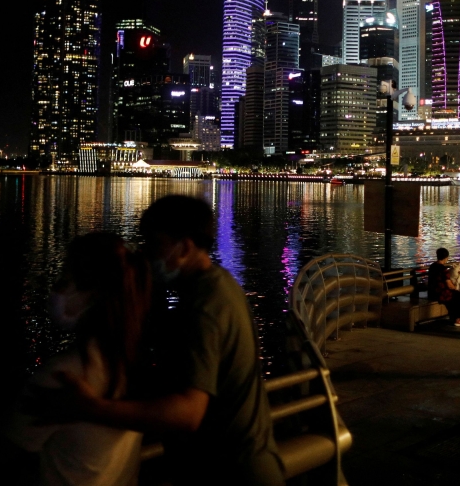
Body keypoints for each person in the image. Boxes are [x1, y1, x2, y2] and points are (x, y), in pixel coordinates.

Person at [29, 196, 284, 486]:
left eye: (154, 243)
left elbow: (188, 413)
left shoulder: (205, 306)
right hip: (242, 463)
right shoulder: (220, 285)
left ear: (185, 247)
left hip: (230, 471)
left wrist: (91, 408)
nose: (146, 254)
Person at [8, 233, 150, 486]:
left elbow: (7, 454)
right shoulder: (131, 366)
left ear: (92, 293)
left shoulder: (64, 375)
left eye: (65, 279)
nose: (56, 288)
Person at [428, 248, 460, 327]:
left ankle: (455, 318)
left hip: (432, 292)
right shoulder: (443, 269)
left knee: (453, 298)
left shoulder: (432, 266)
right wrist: (454, 287)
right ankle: (459, 318)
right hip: (441, 293)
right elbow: (449, 284)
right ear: (446, 257)